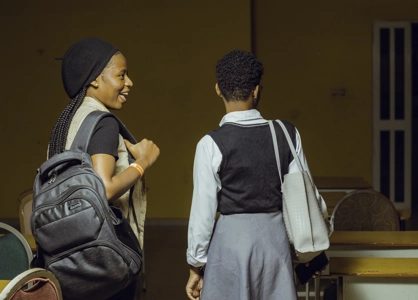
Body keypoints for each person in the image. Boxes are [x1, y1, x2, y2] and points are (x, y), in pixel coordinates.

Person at [185, 50, 328, 300]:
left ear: (218, 89)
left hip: (229, 244)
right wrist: (312, 252)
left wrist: (196, 264)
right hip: (274, 242)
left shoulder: (210, 143)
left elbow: (203, 213)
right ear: (257, 90)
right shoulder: (286, 133)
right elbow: (309, 198)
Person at [48, 37, 160, 299]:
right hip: (104, 258)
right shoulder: (102, 123)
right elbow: (103, 189)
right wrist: (143, 162)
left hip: (67, 258)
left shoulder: (66, 123)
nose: (129, 82)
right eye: (122, 75)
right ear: (95, 79)